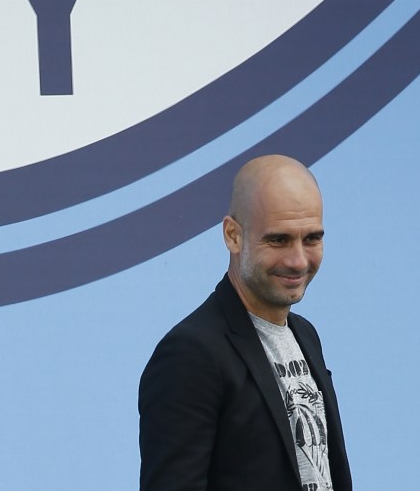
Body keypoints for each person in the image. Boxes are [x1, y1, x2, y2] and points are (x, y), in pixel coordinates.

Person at [139, 154, 352, 491]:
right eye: (278, 240)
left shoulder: (306, 335)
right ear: (233, 235)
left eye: (311, 238)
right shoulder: (190, 354)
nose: (298, 260)